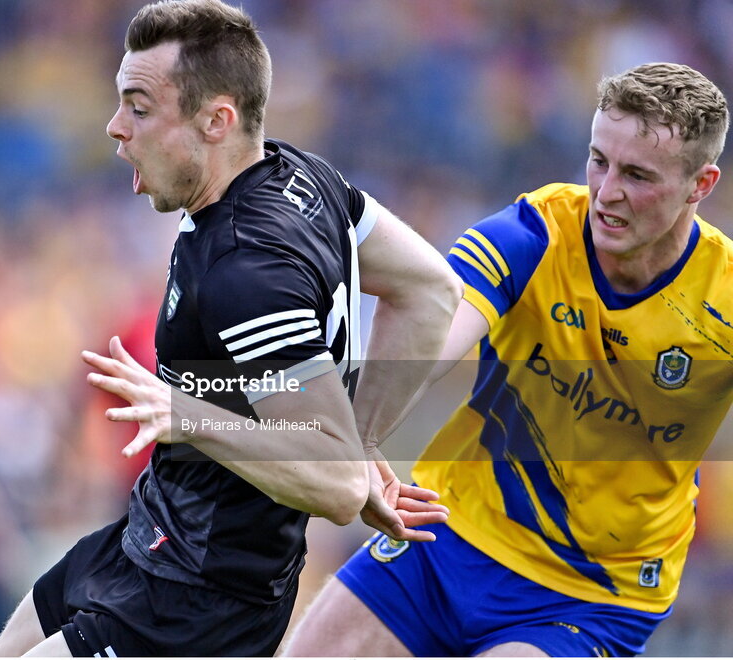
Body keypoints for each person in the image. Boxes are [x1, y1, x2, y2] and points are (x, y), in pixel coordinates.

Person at [0, 0, 461, 657]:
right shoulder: (303, 176)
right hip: (148, 539)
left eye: (140, 108)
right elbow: (430, 289)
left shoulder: (246, 270)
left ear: (216, 121)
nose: (115, 126)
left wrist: (192, 416)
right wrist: (361, 439)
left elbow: (336, 486)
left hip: (197, 605)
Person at [285, 61, 733, 657]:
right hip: (444, 535)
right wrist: (360, 438)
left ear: (701, 184)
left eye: (638, 175)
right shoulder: (539, 229)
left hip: (590, 593)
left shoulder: (723, 298)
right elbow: (434, 333)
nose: (607, 191)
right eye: (598, 161)